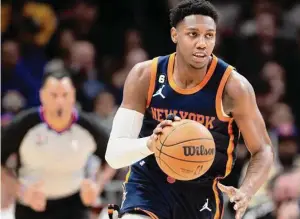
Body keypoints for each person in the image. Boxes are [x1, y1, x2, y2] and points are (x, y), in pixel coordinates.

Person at [105, 1, 274, 219]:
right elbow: (114, 155)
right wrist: (151, 144)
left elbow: (263, 150)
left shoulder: (233, 88)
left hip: (200, 193)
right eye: (193, 34)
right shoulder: (145, 76)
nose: (202, 43)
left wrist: (247, 190)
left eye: (209, 35)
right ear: (175, 35)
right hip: (148, 186)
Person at [1, 70, 116, 219]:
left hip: (74, 205)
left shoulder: (88, 127)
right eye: (54, 95)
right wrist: (19, 190)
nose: (60, 102)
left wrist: (97, 186)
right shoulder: (24, 125)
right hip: (30, 206)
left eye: (65, 95)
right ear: (42, 95)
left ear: (73, 96)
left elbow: (113, 158)